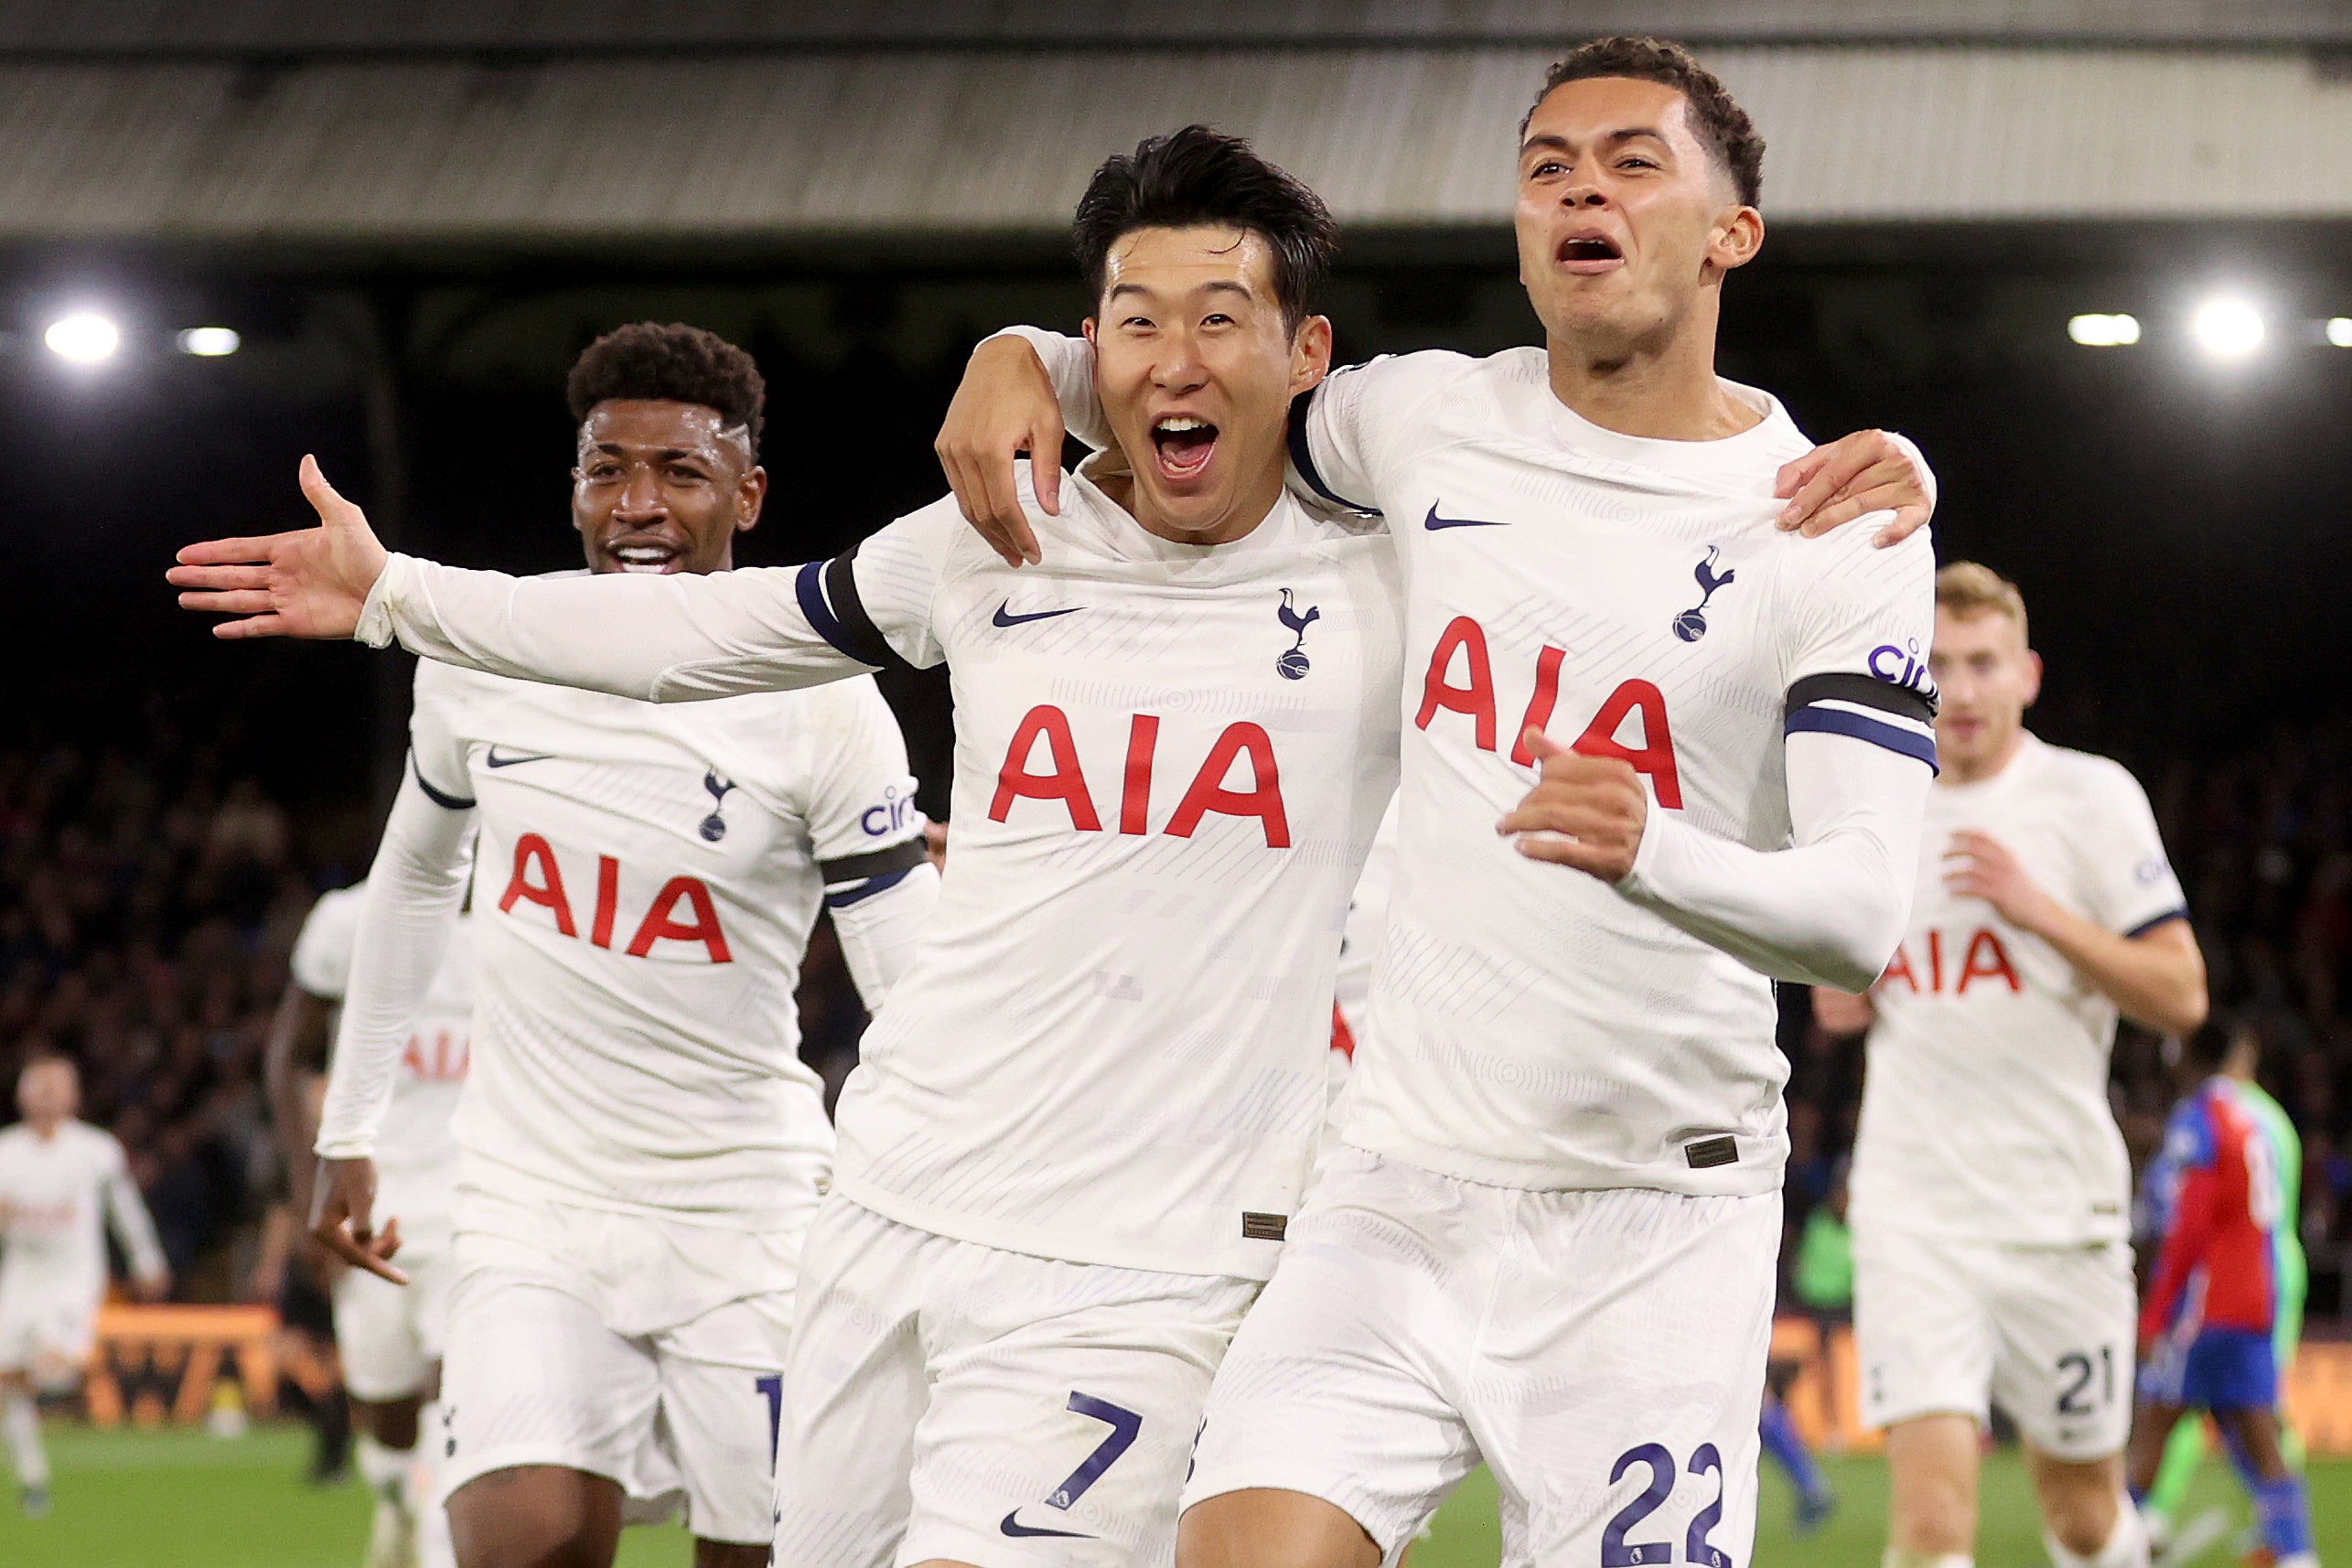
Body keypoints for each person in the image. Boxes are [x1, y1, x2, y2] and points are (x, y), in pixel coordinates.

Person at [169, 125, 1928, 1568]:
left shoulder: (1404, 557)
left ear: (1308, 361)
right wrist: (401, 595)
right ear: (1093, 342)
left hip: (1159, 1262)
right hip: (891, 1203)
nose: (1175, 360)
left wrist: (1866, 469)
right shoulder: (994, 533)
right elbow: (701, 635)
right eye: (1129, 322)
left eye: (1223, 320)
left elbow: (1630, 494)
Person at [937, 38, 1942, 1568]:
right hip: (1394, 1183)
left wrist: (1656, 847)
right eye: (1547, 170)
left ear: (1730, 232)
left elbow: (1865, 916)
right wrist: (1023, 345)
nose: (1578, 190)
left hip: (1651, 1220)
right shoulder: (1421, 418)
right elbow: (1202, 378)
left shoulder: (1833, 525)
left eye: (1628, 162)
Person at [285, 323, 938, 1568]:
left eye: (680, 473)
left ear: (745, 494)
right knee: (521, 1535)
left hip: (745, 1211)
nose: (639, 505)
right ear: (573, 485)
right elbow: (414, 882)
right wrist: (350, 1127)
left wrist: (945, 1182)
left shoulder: (821, 699)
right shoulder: (484, 657)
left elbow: (904, 977)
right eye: (608, 469)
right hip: (531, 1204)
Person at [1812, 562, 2205, 1568]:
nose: (1963, 688)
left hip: (2058, 1217)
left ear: (2026, 674)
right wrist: (1841, 993)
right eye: (1940, 664)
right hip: (1916, 1219)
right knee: (1933, 1527)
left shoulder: (2087, 796)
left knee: (2081, 1514)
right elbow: (1833, 996)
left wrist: (2036, 909)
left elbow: (2180, 992)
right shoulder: (1879, 807)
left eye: (1984, 663)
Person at [274, 881, 477, 1568]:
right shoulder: (347, 919)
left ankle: (440, 1538)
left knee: (461, 1404)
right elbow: (287, 1057)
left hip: (478, 1207)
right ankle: (395, 1500)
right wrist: (312, 1197)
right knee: (388, 1419)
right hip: (373, 1211)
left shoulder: (530, 920)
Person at [2128, 1018, 2318, 1568]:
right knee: (2256, 1420)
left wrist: (2155, 1313)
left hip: (2209, 1291)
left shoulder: (2202, 1119)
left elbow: (2187, 1222)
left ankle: (2131, 1533)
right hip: (2266, 1279)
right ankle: (2294, 1551)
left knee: (2159, 1416)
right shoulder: (2268, 1119)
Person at [0, 1055, 169, 1518]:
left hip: (72, 1278)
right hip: (21, 1278)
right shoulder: (6, 1153)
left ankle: (63, 1375)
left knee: (56, 1366)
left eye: (58, 1087)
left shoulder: (96, 1150)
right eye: (40, 1086)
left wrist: (147, 1259)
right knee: (5, 1386)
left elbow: (125, 1209)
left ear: (74, 1096)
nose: (49, 1096)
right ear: (22, 1094)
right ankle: (33, 1478)